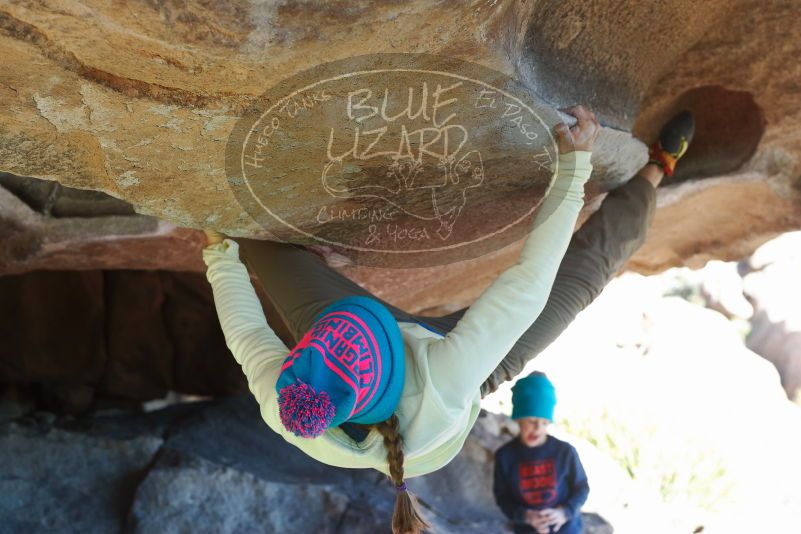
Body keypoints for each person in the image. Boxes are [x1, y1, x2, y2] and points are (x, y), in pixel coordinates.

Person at [202, 106, 694, 534]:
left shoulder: (293, 402)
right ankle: (656, 170)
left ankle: (316, 275)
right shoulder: (449, 376)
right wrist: (572, 167)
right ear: (391, 354)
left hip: (345, 343)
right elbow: (529, 285)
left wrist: (218, 253)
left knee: (253, 240)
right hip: (455, 381)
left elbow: (247, 334)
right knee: (583, 277)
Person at [493, 372, 588, 534]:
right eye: (532, 421)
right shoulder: (505, 456)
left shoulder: (565, 452)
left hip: (566, 529)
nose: (538, 428)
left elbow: (581, 488)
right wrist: (525, 516)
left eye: (544, 423)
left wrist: (565, 512)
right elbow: (503, 498)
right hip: (527, 530)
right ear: (518, 418)